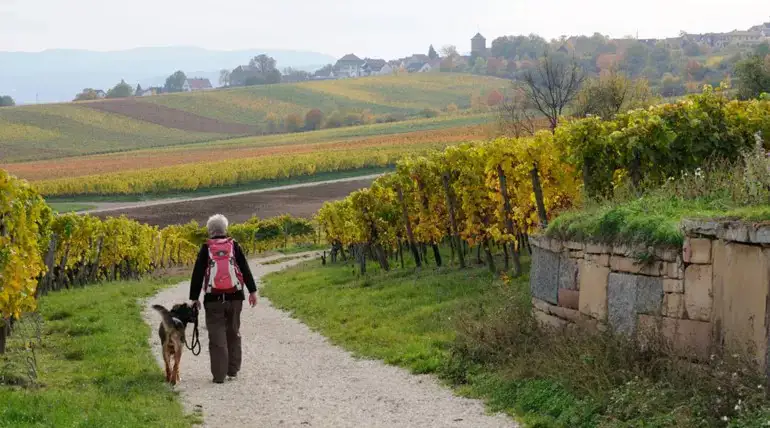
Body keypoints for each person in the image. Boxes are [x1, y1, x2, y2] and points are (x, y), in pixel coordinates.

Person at [189, 214, 258, 384]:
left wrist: (194, 298)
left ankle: (219, 376)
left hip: (213, 299)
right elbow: (245, 268)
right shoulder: (234, 245)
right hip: (235, 298)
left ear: (210, 230)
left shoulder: (206, 248)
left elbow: (197, 274)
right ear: (225, 229)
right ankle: (232, 371)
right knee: (233, 332)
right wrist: (252, 291)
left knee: (217, 335)